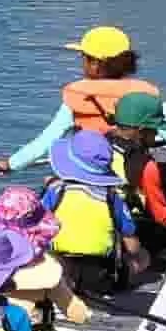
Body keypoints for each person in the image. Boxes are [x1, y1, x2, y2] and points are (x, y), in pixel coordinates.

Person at [3, 26, 151, 170]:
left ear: (95, 64)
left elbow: (46, 141)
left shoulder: (78, 98)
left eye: (84, 58)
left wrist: (12, 163)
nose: (82, 63)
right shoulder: (143, 96)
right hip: (132, 173)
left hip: (90, 170)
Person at [38, 117, 134, 293]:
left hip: (59, 273)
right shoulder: (113, 198)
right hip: (99, 276)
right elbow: (132, 245)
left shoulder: (55, 191)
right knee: (141, 257)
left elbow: (36, 227)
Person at [109, 84, 166, 267]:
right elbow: (161, 216)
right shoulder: (147, 167)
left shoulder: (97, 142)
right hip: (126, 229)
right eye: (155, 129)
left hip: (99, 220)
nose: (158, 133)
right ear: (141, 131)